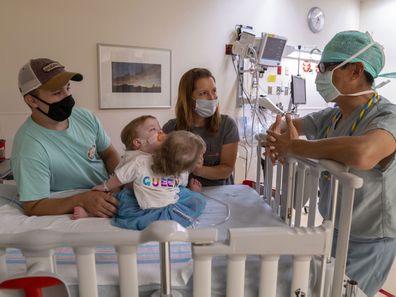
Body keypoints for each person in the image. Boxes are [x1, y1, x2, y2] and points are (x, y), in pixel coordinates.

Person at [265, 31, 396, 296]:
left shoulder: (386, 115)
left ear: (356, 71)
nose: (318, 75)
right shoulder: (333, 116)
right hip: (333, 227)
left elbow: (364, 153)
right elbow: (285, 130)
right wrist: (279, 137)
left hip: (369, 239)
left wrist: (296, 147)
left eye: (325, 68)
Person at [11, 58, 120, 217]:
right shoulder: (29, 147)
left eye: (68, 88)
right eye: (57, 93)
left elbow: (109, 154)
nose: (68, 97)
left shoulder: (85, 117)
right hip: (74, 204)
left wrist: (119, 181)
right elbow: (33, 205)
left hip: (108, 191)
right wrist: (83, 200)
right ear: (32, 100)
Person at [74, 115, 207, 230]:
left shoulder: (165, 156)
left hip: (166, 191)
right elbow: (119, 178)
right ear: (138, 142)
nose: (160, 131)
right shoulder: (134, 159)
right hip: (137, 198)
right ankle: (89, 213)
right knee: (116, 203)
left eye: (160, 128)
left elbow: (178, 178)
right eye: (153, 129)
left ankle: (192, 193)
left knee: (189, 196)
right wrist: (105, 187)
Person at [163, 68, 240, 186]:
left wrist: (197, 169)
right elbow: (163, 168)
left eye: (214, 91)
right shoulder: (171, 129)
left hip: (221, 193)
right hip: (183, 194)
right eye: (204, 93)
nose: (212, 97)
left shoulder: (227, 125)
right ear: (188, 98)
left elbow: (227, 170)